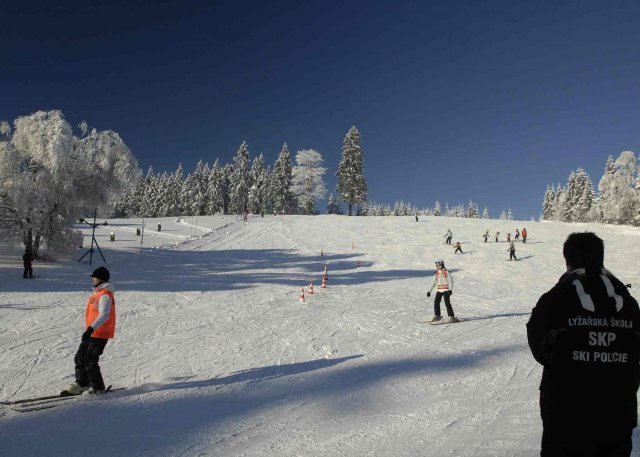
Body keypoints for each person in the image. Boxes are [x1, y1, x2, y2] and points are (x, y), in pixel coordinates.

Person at [527, 232, 640, 457]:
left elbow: (538, 347)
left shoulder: (556, 297)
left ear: (567, 260)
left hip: (564, 416)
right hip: (618, 415)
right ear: (601, 257)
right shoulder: (627, 301)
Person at [62, 267, 116, 396]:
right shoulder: (97, 293)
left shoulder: (105, 295)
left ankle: (98, 387)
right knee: (80, 357)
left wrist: (91, 328)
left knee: (90, 360)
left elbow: (104, 315)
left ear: (101, 279)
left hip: (100, 333)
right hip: (92, 332)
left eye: (95, 277)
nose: (93, 279)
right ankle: (82, 384)